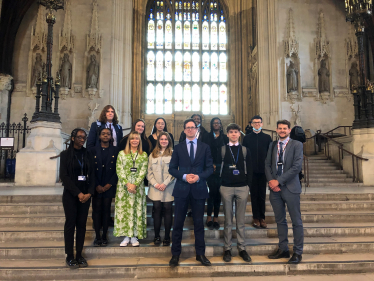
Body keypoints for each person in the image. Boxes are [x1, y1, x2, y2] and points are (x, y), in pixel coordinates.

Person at [169, 118, 213, 267]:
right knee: (178, 224)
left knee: (199, 224)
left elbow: (209, 168)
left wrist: (199, 177)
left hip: (199, 188)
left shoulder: (205, 147)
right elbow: (172, 168)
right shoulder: (178, 147)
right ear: (184, 130)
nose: (190, 130)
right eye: (187, 128)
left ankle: (200, 254)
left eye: (192, 127)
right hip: (181, 188)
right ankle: (175, 255)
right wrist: (183, 176)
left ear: (197, 130)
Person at [265, 119, 304, 264]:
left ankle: (298, 252)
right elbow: (267, 164)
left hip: (290, 187)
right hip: (275, 190)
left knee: (296, 221)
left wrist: (279, 181)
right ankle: (283, 249)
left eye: (285, 128)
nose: (282, 130)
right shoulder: (273, 145)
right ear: (276, 130)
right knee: (280, 220)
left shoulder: (296, 145)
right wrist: (271, 181)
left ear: (289, 130)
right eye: (280, 128)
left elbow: (296, 167)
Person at [217, 123, 253, 263]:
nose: (233, 134)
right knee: (227, 220)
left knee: (241, 220)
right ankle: (227, 248)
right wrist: (220, 184)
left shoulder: (244, 150)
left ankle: (242, 248)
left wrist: (248, 186)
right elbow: (217, 167)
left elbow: (249, 169)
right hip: (226, 187)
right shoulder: (222, 150)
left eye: (236, 132)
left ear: (239, 134)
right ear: (227, 134)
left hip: (242, 187)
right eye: (231, 132)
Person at [60, 128, 95, 269]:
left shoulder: (88, 154)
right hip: (71, 195)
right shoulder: (65, 155)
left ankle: (79, 255)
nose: (82, 139)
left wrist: (89, 193)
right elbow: (64, 176)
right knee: (70, 225)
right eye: (79, 137)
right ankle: (69, 255)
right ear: (73, 138)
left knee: (81, 225)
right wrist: (78, 193)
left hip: (86, 196)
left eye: (84, 137)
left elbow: (92, 175)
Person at [114, 131, 148, 247]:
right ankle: (126, 236)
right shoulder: (121, 154)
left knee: (136, 210)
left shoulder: (143, 155)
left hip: (138, 187)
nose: (134, 141)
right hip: (124, 188)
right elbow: (119, 170)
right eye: (132, 139)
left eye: (137, 139)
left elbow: (143, 171)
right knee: (124, 211)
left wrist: (135, 184)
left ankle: (134, 236)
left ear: (139, 141)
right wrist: (127, 184)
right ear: (129, 141)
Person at [89, 128, 118, 247]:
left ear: (111, 137)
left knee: (106, 211)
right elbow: (90, 170)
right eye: (103, 134)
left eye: (108, 134)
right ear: (99, 136)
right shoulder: (92, 150)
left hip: (108, 186)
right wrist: (96, 185)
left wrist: (109, 184)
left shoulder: (116, 150)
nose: (106, 136)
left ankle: (105, 235)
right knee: (96, 211)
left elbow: (118, 169)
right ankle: (97, 236)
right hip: (96, 186)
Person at [242, 116, 272, 229]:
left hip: (263, 171)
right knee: (254, 195)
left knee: (262, 195)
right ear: (251, 124)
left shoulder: (267, 137)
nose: (257, 124)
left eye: (259, 122)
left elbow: (270, 155)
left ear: (262, 124)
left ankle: (262, 218)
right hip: (251, 171)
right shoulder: (247, 138)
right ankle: (255, 218)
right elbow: (244, 155)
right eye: (254, 123)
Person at [147, 132, 175, 246]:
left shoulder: (173, 154)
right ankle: (157, 236)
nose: (163, 141)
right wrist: (155, 184)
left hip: (168, 187)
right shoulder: (152, 154)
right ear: (158, 140)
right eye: (161, 139)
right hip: (155, 188)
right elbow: (148, 172)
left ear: (169, 141)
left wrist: (165, 183)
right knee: (157, 209)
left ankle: (167, 237)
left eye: (166, 139)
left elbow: (174, 171)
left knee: (168, 210)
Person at [202, 117, 228, 230]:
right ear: (211, 124)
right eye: (214, 123)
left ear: (221, 125)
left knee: (218, 193)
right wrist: (209, 164)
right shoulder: (207, 136)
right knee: (211, 193)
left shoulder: (225, 138)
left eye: (218, 123)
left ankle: (216, 217)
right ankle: (208, 217)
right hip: (210, 168)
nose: (216, 124)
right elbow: (204, 151)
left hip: (221, 169)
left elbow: (227, 153)